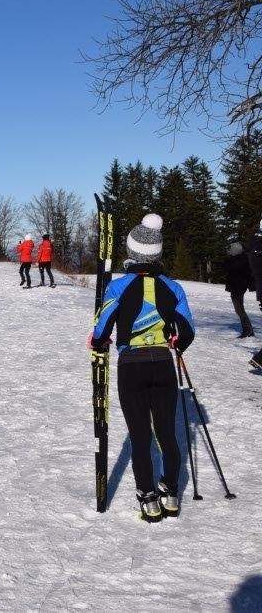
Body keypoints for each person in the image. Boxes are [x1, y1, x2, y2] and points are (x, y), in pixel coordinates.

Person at [90, 213, 195, 522]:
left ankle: (148, 498)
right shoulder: (173, 287)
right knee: (166, 434)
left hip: (131, 366)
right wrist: (176, 341)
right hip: (163, 365)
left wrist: (99, 343)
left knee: (139, 435)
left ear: (131, 251)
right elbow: (187, 331)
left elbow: (102, 328)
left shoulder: (118, 287)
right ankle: (171, 494)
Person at [224, 239, 255, 338]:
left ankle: (247, 330)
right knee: (239, 309)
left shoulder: (239, 260)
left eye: (230, 250)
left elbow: (246, 274)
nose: (229, 251)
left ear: (235, 250)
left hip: (238, 287)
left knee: (239, 309)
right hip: (237, 287)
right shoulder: (239, 259)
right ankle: (249, 330)